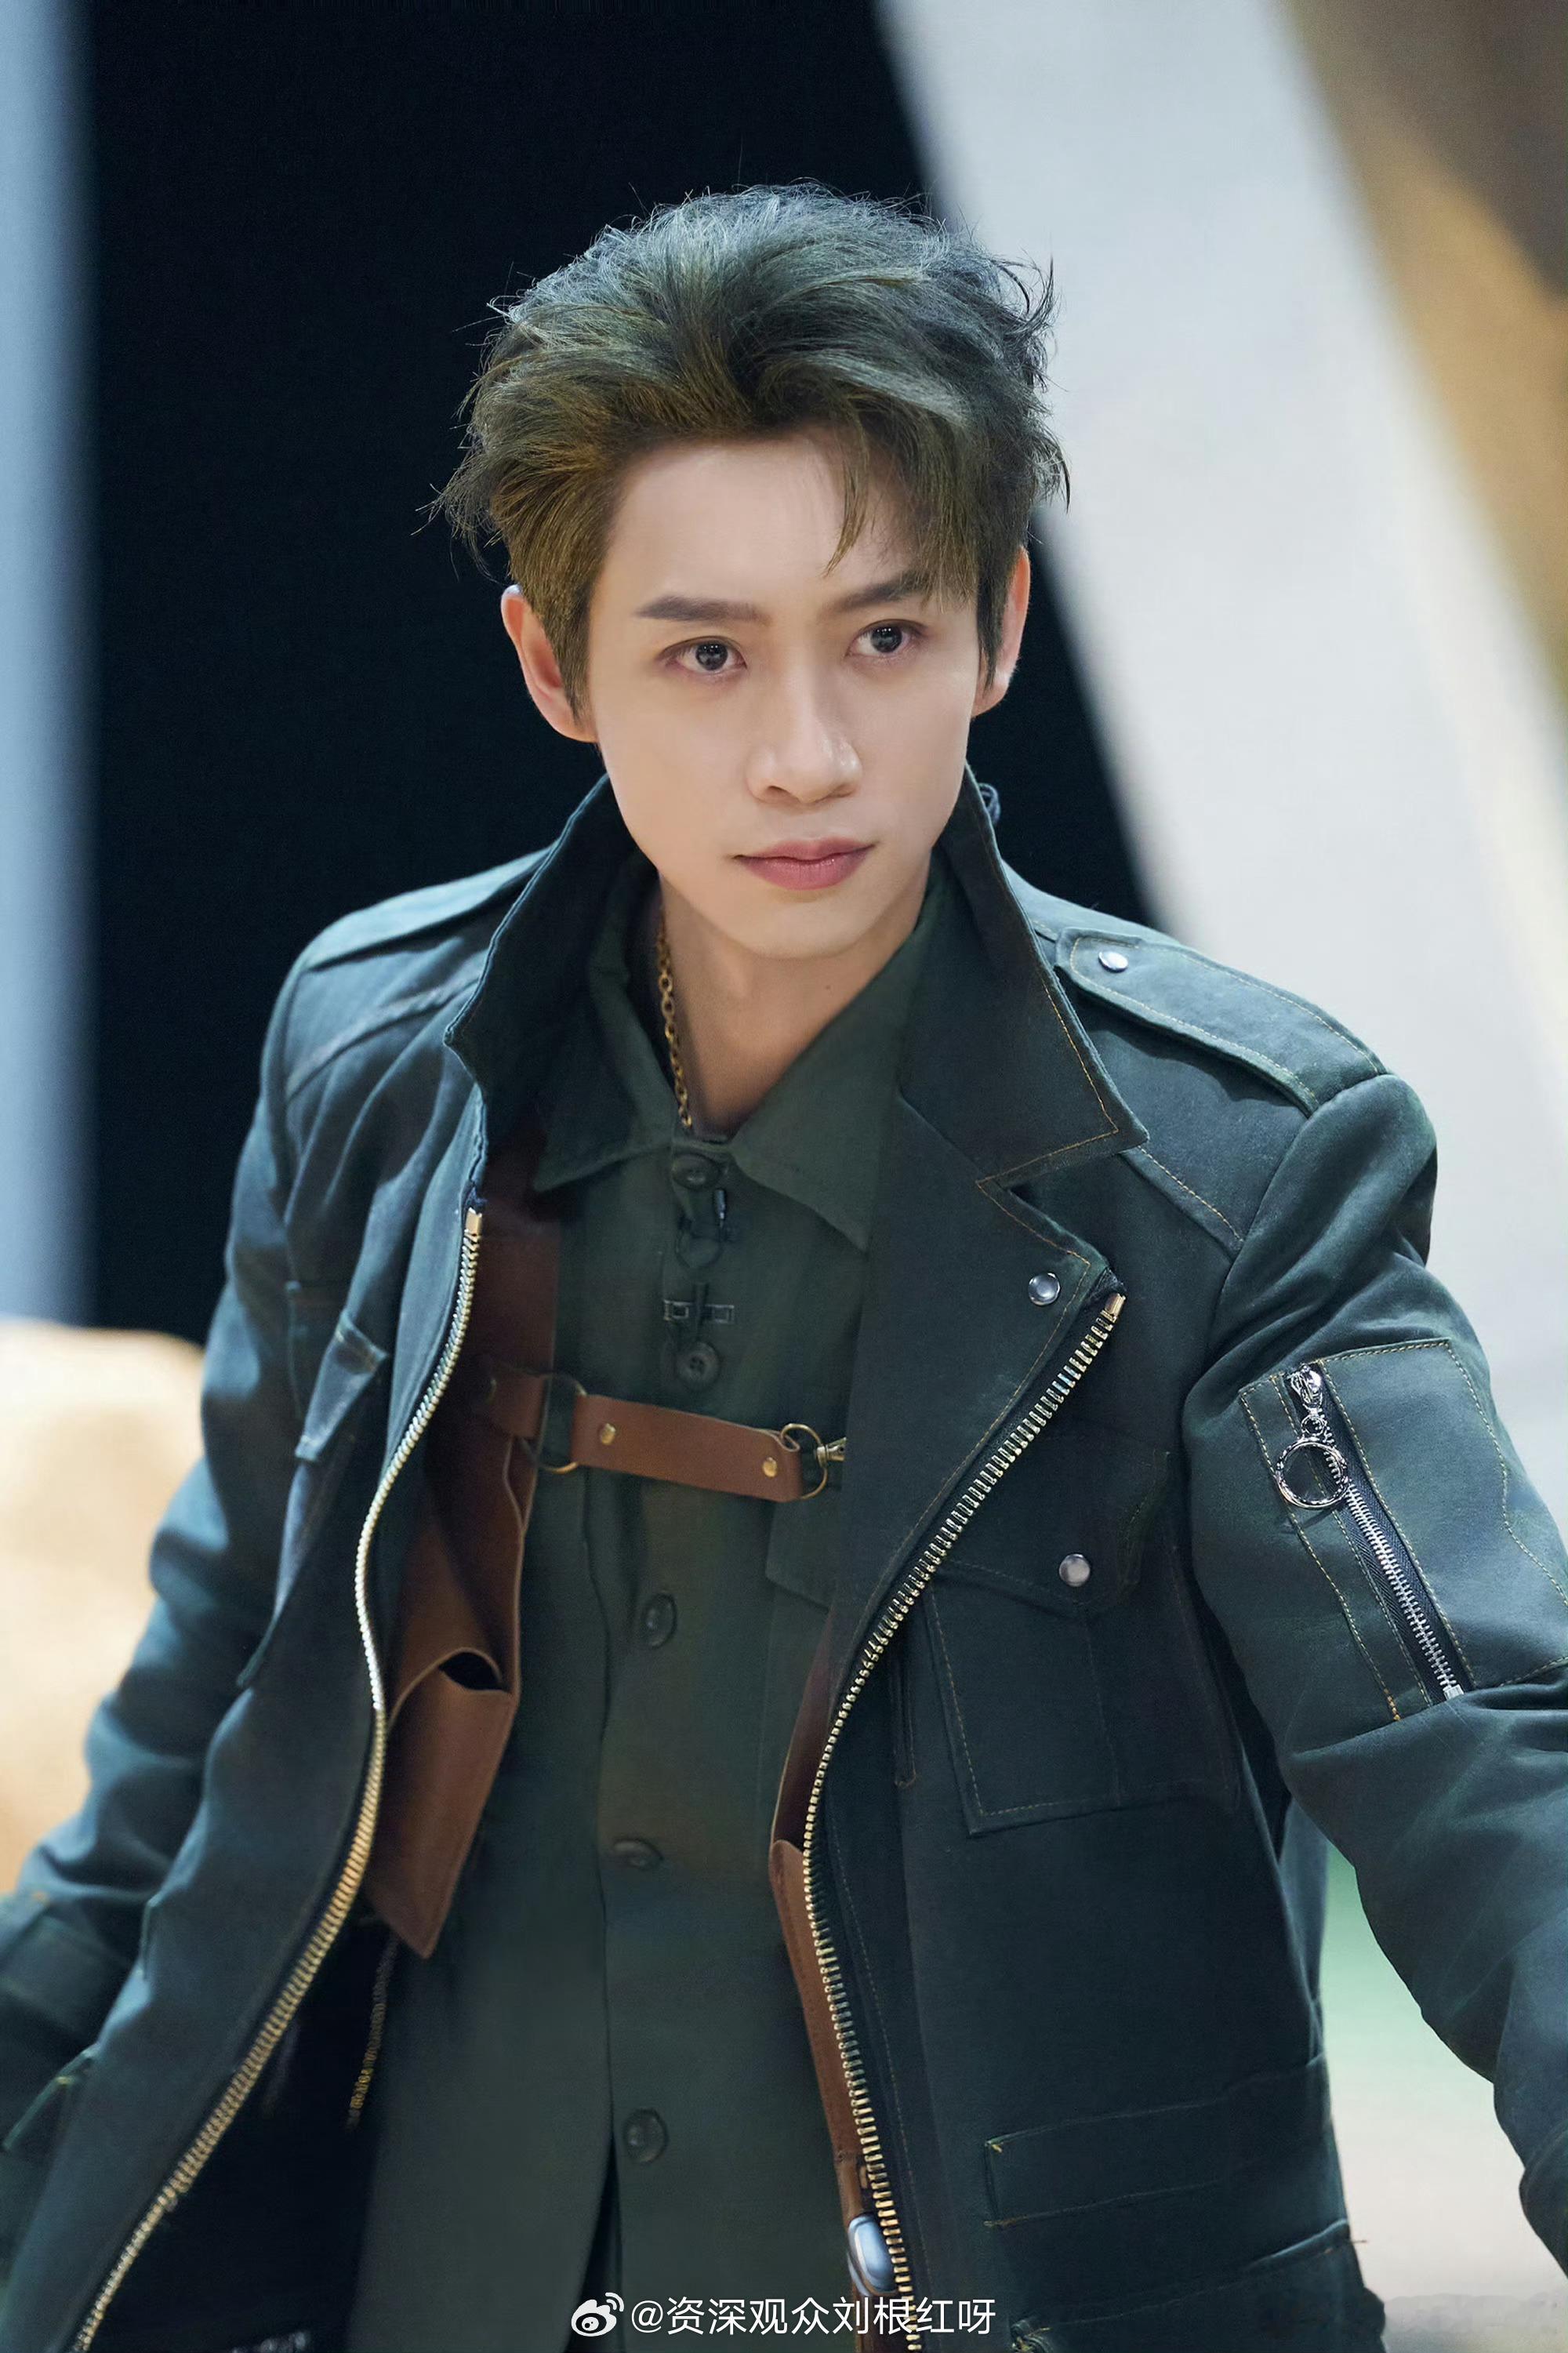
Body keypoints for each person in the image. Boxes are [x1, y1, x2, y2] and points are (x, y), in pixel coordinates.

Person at [0, 182, 1563, 2353]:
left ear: (1000, 629)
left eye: (884, 638)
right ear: (554, 664)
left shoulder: (1236, 1163)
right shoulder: (375, 1067)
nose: (806, 753)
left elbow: (1490, 1762)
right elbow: (196, 1742)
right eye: (707, 651)